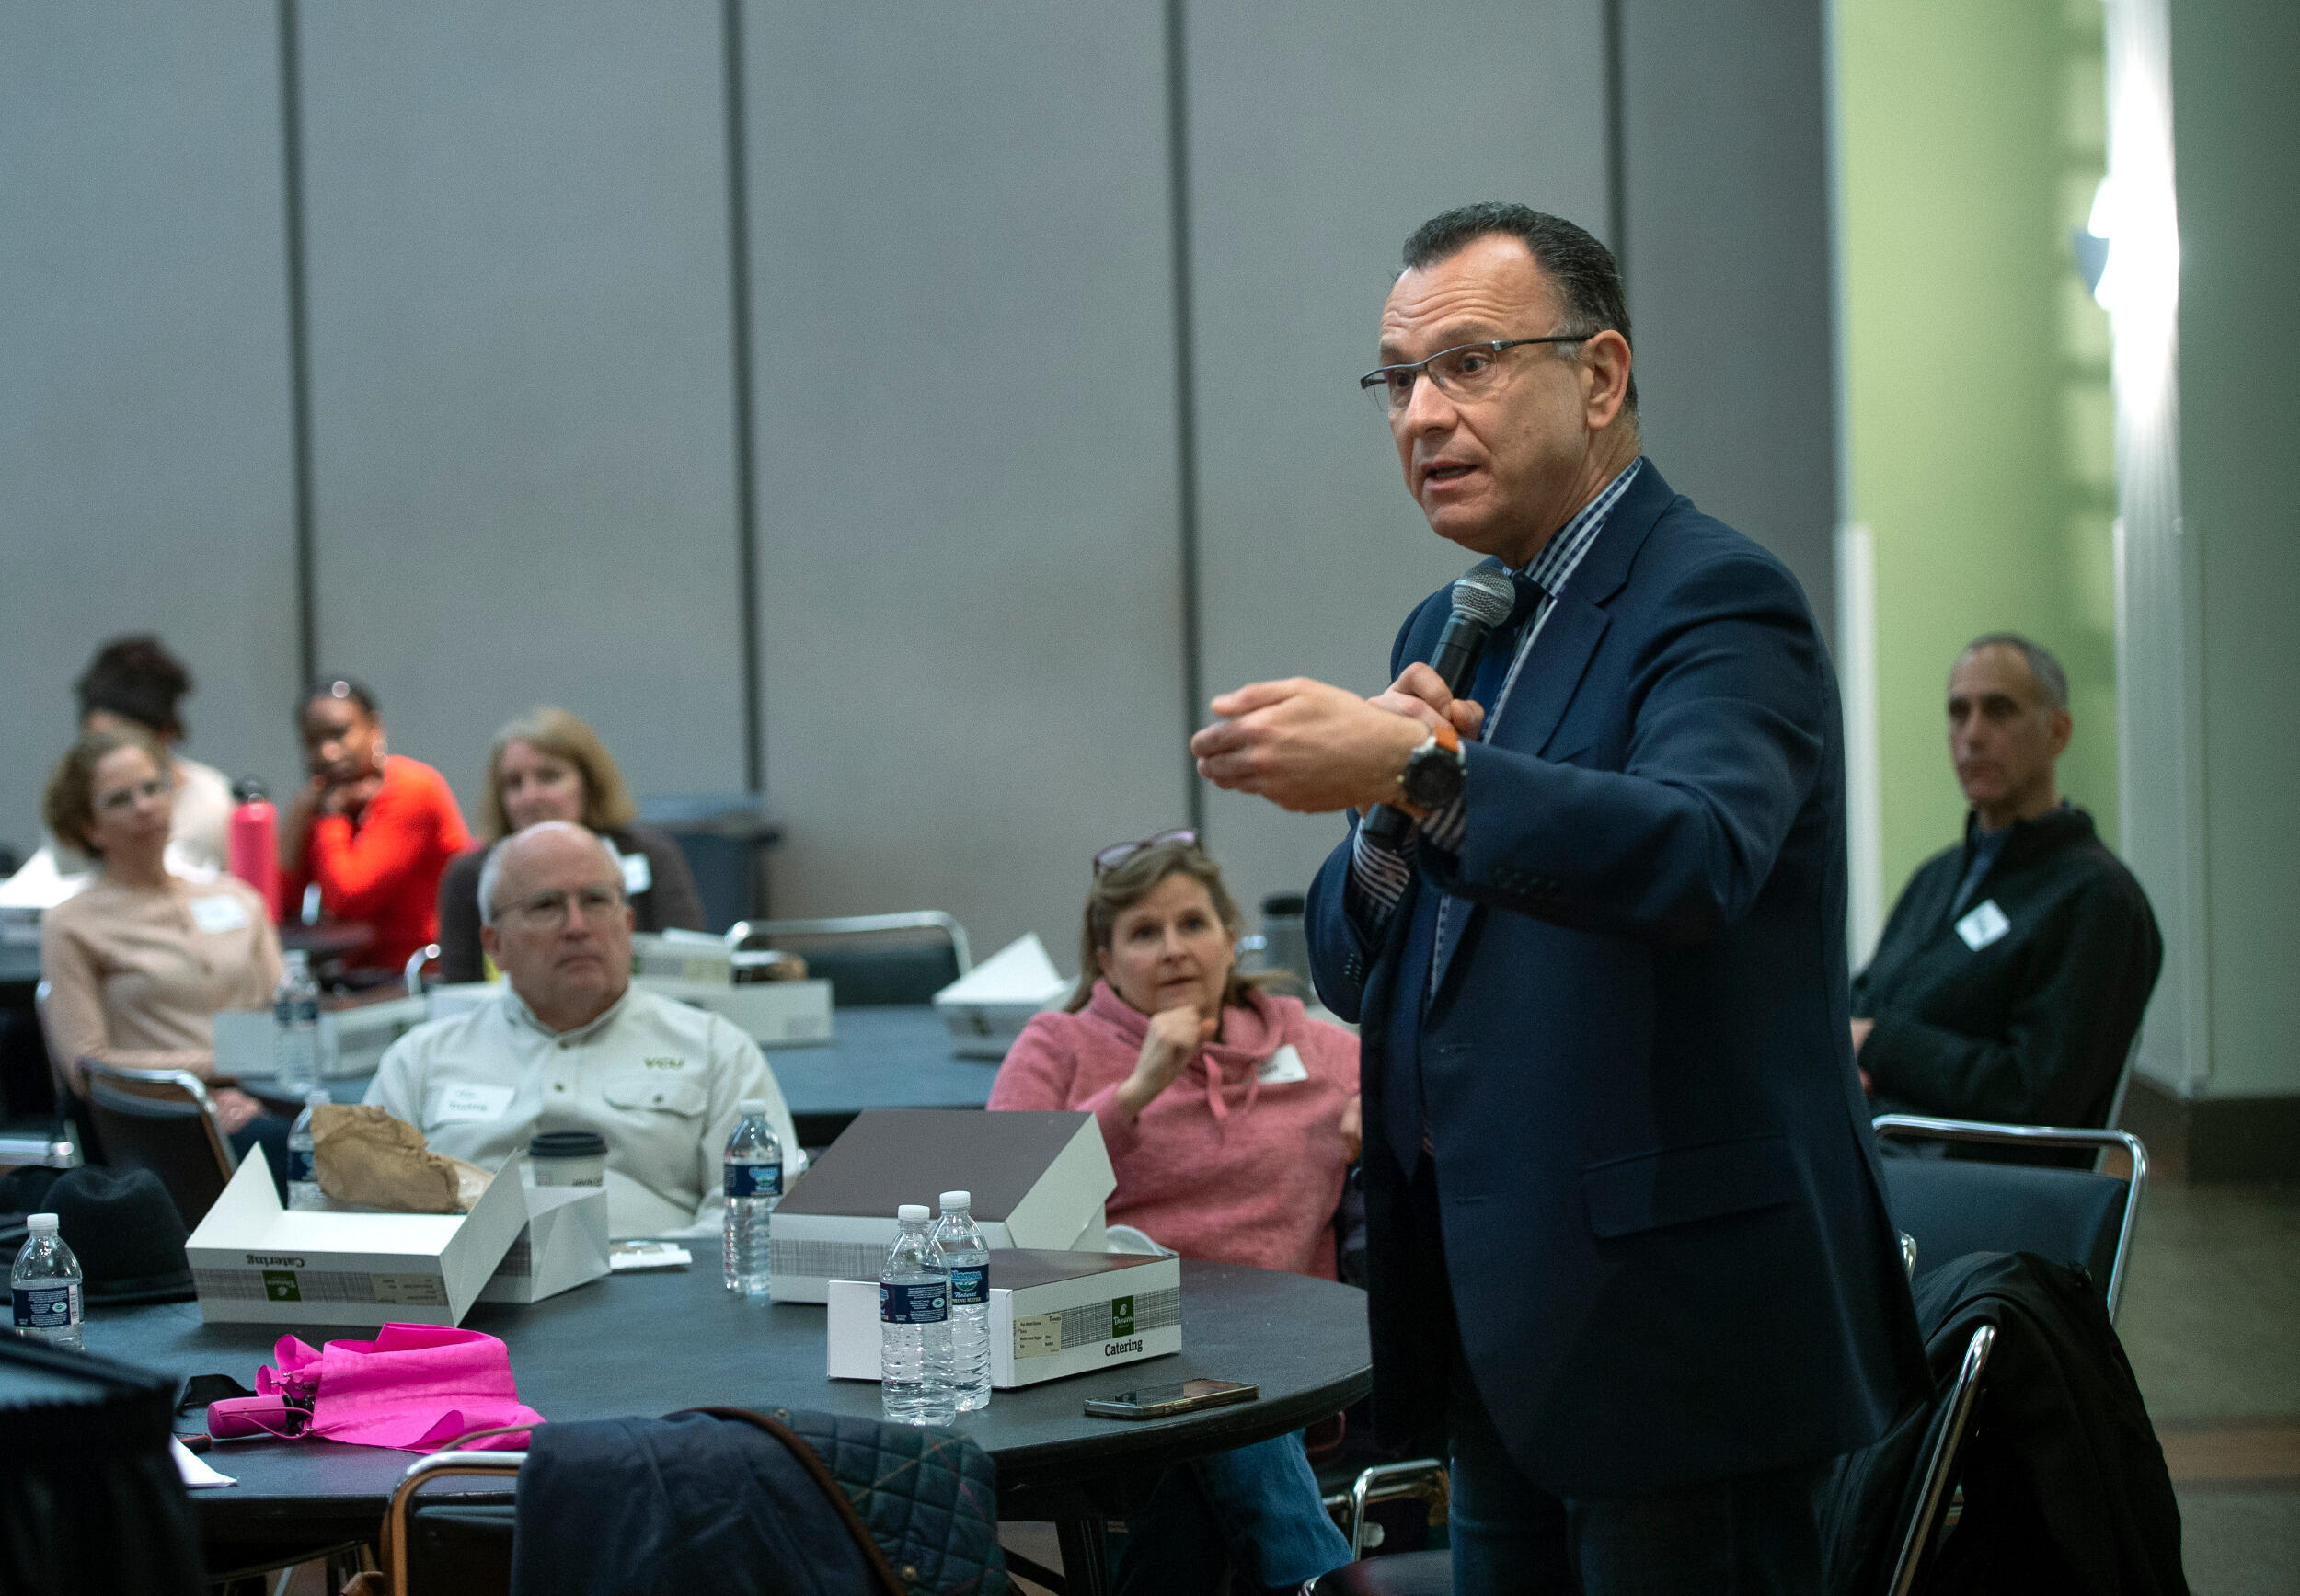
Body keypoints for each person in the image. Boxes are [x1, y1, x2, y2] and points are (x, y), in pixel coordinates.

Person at [1190, 203, 1926, 1593]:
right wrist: (1391, 819)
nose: (1421, 414)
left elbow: (1695, 850)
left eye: (1467, 363)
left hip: (1674, 1331)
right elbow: (1362, 973)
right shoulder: (1450, 623)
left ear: (1598, 376)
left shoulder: (1713, 598)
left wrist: (1416, 767)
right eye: (1398, 378)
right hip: (1498, 1319)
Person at [989, 832, 1357, 1594]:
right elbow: (1002, 1201)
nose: (1174, 950)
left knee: (1210, 1437)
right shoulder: (1059, 1044)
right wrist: (1136, 1090)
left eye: (1193, 924)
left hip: (1289, 1347)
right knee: (1214, 1406)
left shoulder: (1311, 1045)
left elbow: (1430, 1095)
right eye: (1144, 933)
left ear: (1230, 936)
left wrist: (1383, 1110)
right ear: (1104, 957)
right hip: (1105, 1348)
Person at [366, 821, 799, 1239]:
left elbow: (757, 1221)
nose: (576, 926)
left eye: (594, 900)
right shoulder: (420, 1062)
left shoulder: (715, 1051)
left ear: (628, 926)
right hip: (474, 1304)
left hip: (655, 1298)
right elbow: (363, 1216)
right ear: (495, 944)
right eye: (546, 905)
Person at [1853, 634, 2161, 1130]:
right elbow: (1861, 1003)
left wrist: (1879, 1047)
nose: (1973, 734)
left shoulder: (2097, 899)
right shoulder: (1937, 876)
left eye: (1999, 711)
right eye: (1958, 712)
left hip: (1978, 1175)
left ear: (2057, 733)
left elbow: (2032, 1093)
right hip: (1878, 1143)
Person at [38, 728, 282, 1150]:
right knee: (285, 1147)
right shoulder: (72, 924)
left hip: (270, 1095)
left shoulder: (237, 899)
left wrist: (253, 1085)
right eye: (121, 799)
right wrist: (207, 1080)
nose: (145, 807)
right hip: (162, 1119)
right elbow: (88, 1067)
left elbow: (288, 1021)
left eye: (153, 788)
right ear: (89, 828)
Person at [434, 708, 706, 983]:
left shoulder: (650, 855)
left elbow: (692, 970)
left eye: (548, 777)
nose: (530, 797)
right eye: (514, 783)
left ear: (589, 784)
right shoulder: (470, 877)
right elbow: (459, 993)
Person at [278, 679, 470, 978]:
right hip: (356, 980)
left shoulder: (412, 788)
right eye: (312, 741)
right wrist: (298, 813)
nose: (327, 752)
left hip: (424, 978)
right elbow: (275, 908)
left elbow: (349, 897)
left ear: (374, 728)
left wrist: (330, 816)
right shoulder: (323, 798)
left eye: (340, 733)